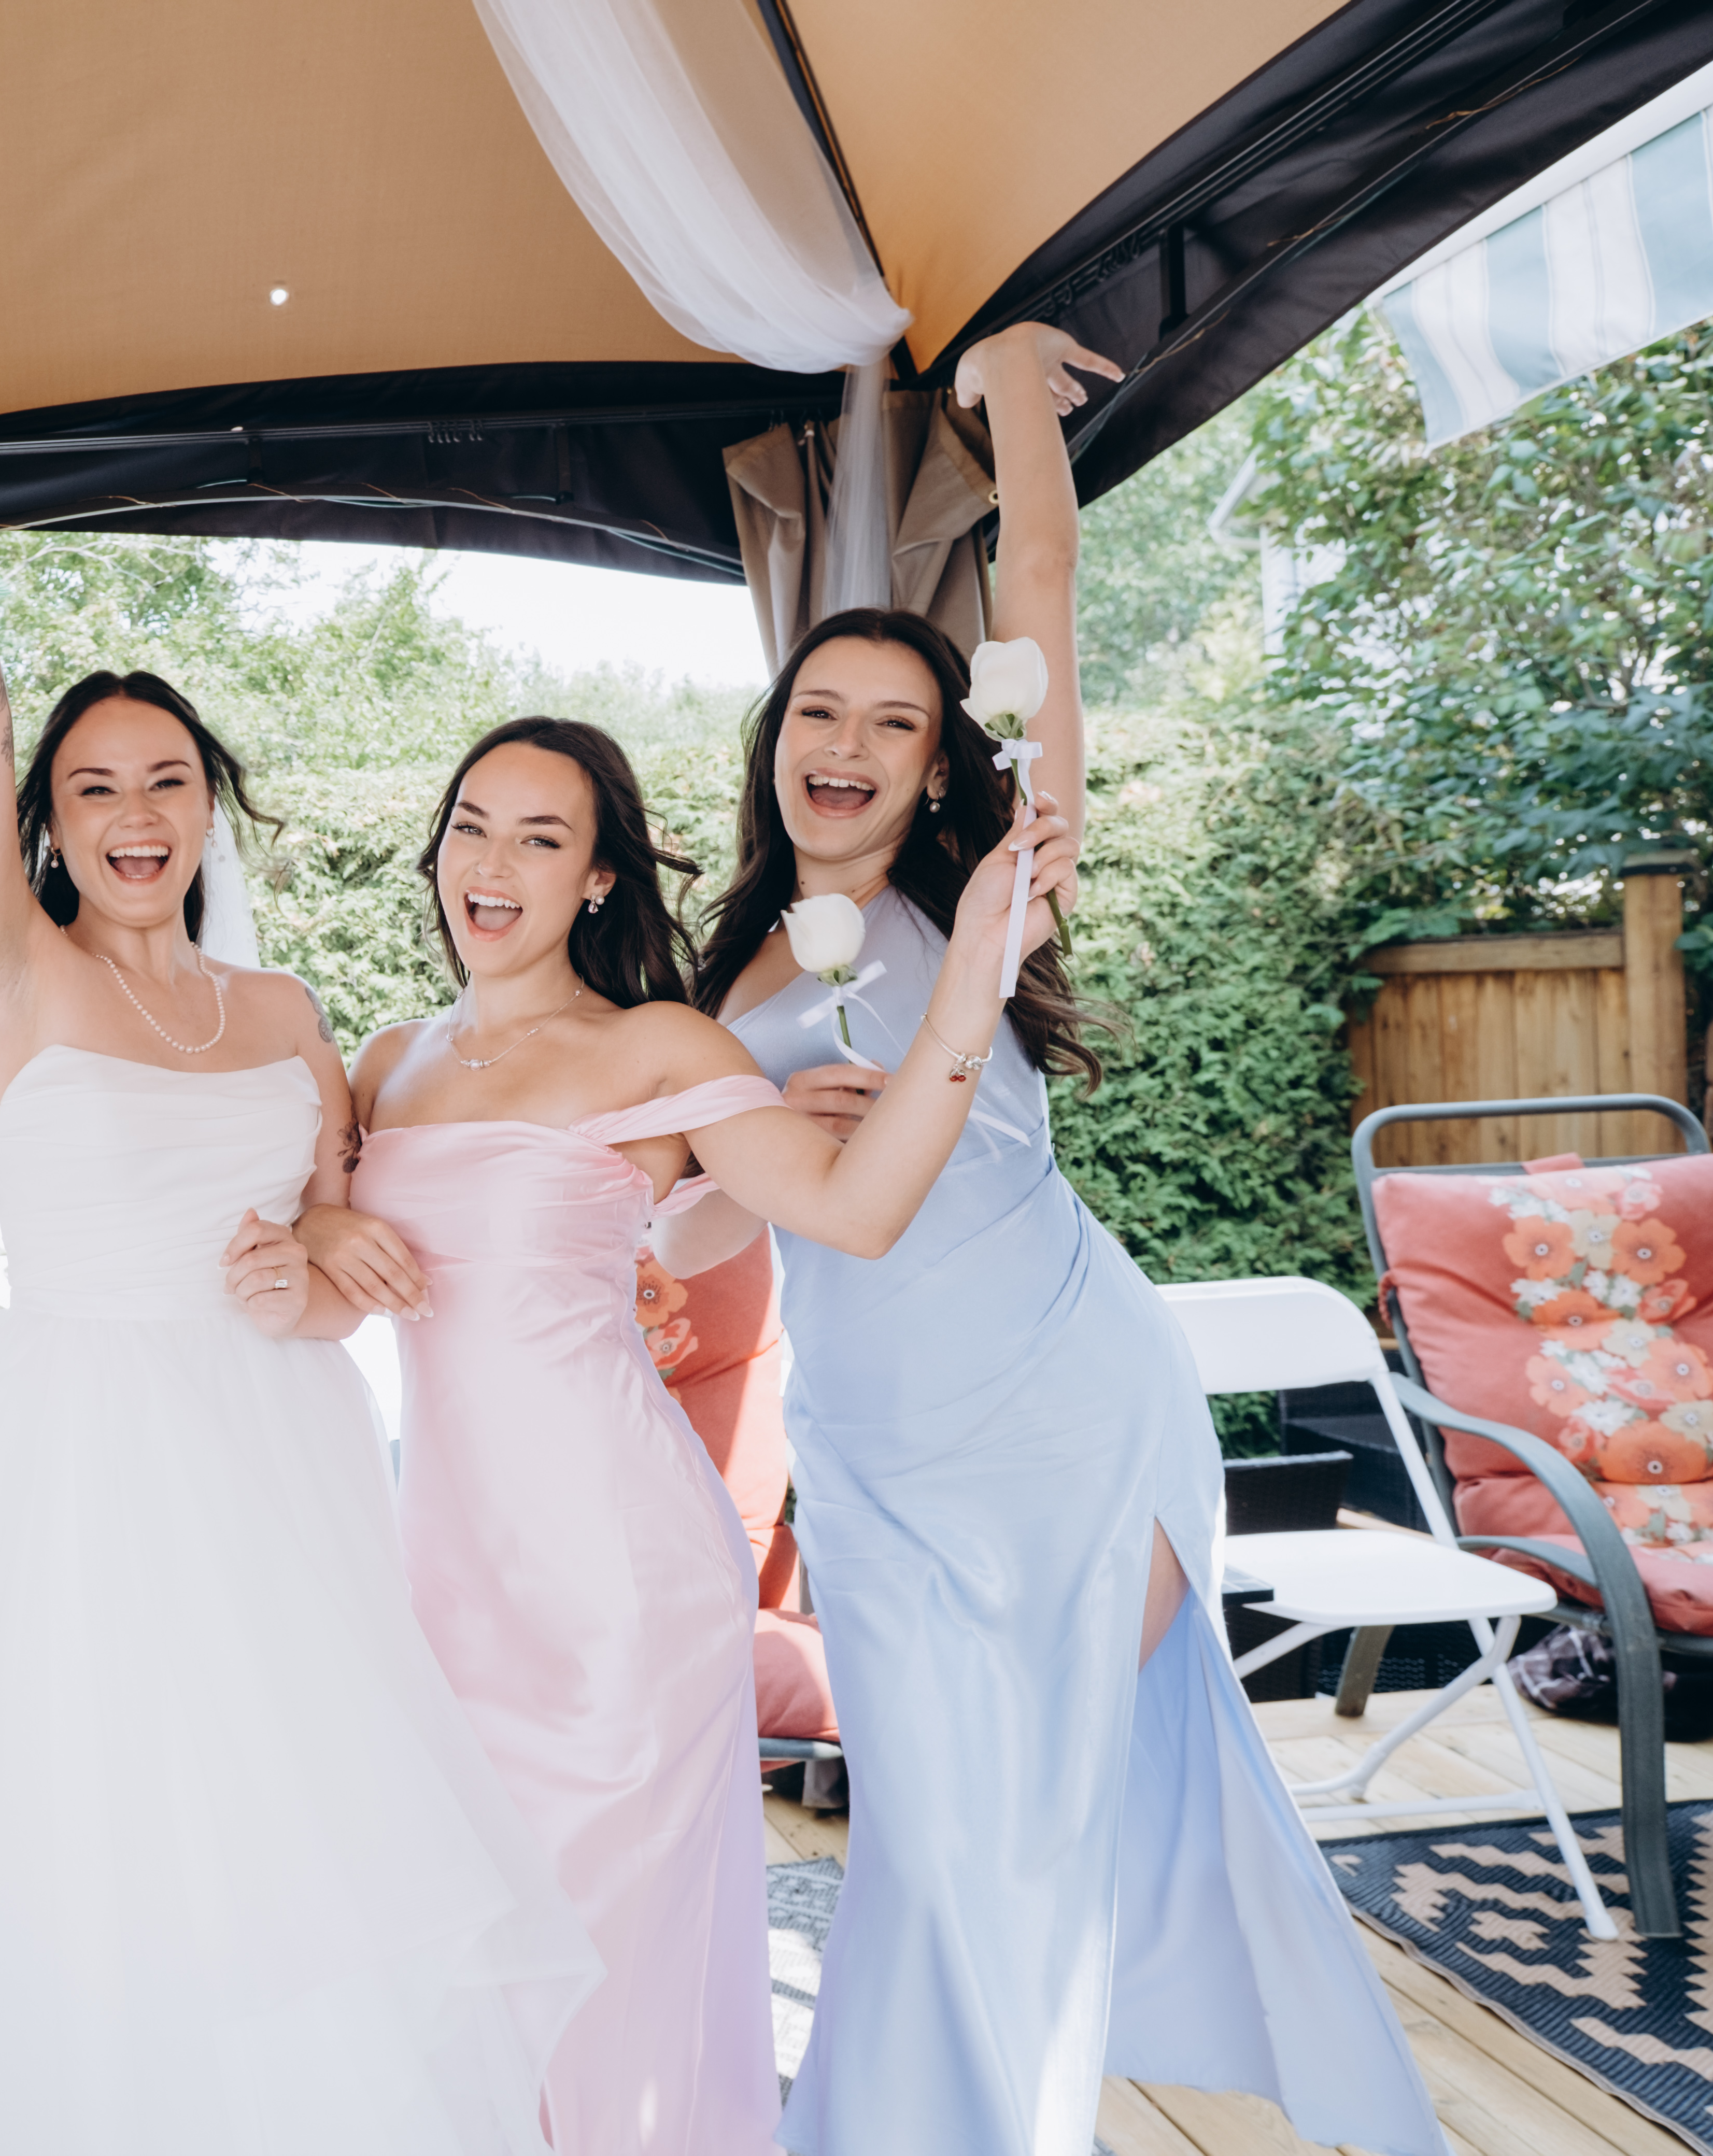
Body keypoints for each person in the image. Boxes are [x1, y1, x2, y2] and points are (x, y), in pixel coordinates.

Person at [0, 240, 602, 2153]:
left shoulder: (289, 1013)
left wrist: (315, 1249)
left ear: (207, 806)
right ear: (47, 821)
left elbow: (342, 1227)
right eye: (93, 788)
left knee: (295, 1851)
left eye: (166, 780)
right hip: (76, 1460)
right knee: (98, 1855)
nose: (134, 812)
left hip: (277, 1452)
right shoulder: (5, 978)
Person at [674, 322, 1445, 2155]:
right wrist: (753, 1159)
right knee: (935, 1840)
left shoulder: (996, 890)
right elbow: (693, 1221)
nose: (848, 745)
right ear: (776, 746)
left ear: (940, 765)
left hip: (1073, 1411)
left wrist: (1013, 394)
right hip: (880, 1459)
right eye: (819, 713)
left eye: (895, 723)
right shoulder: (705, 983)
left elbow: (1043, 602)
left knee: (1021, 1831)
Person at [294, 715, 1058, 2155]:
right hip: (444, 1583)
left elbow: (855, 1212)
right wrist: (324, 1226)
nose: (493, 864)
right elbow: (323, 1294)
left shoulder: (657, 1046)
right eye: (472, 826)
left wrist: (965, 992)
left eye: (541, 838)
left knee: (607, 1961)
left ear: (598, 878)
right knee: (462, 1952)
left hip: (618, 1582)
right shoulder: (384, 1062)